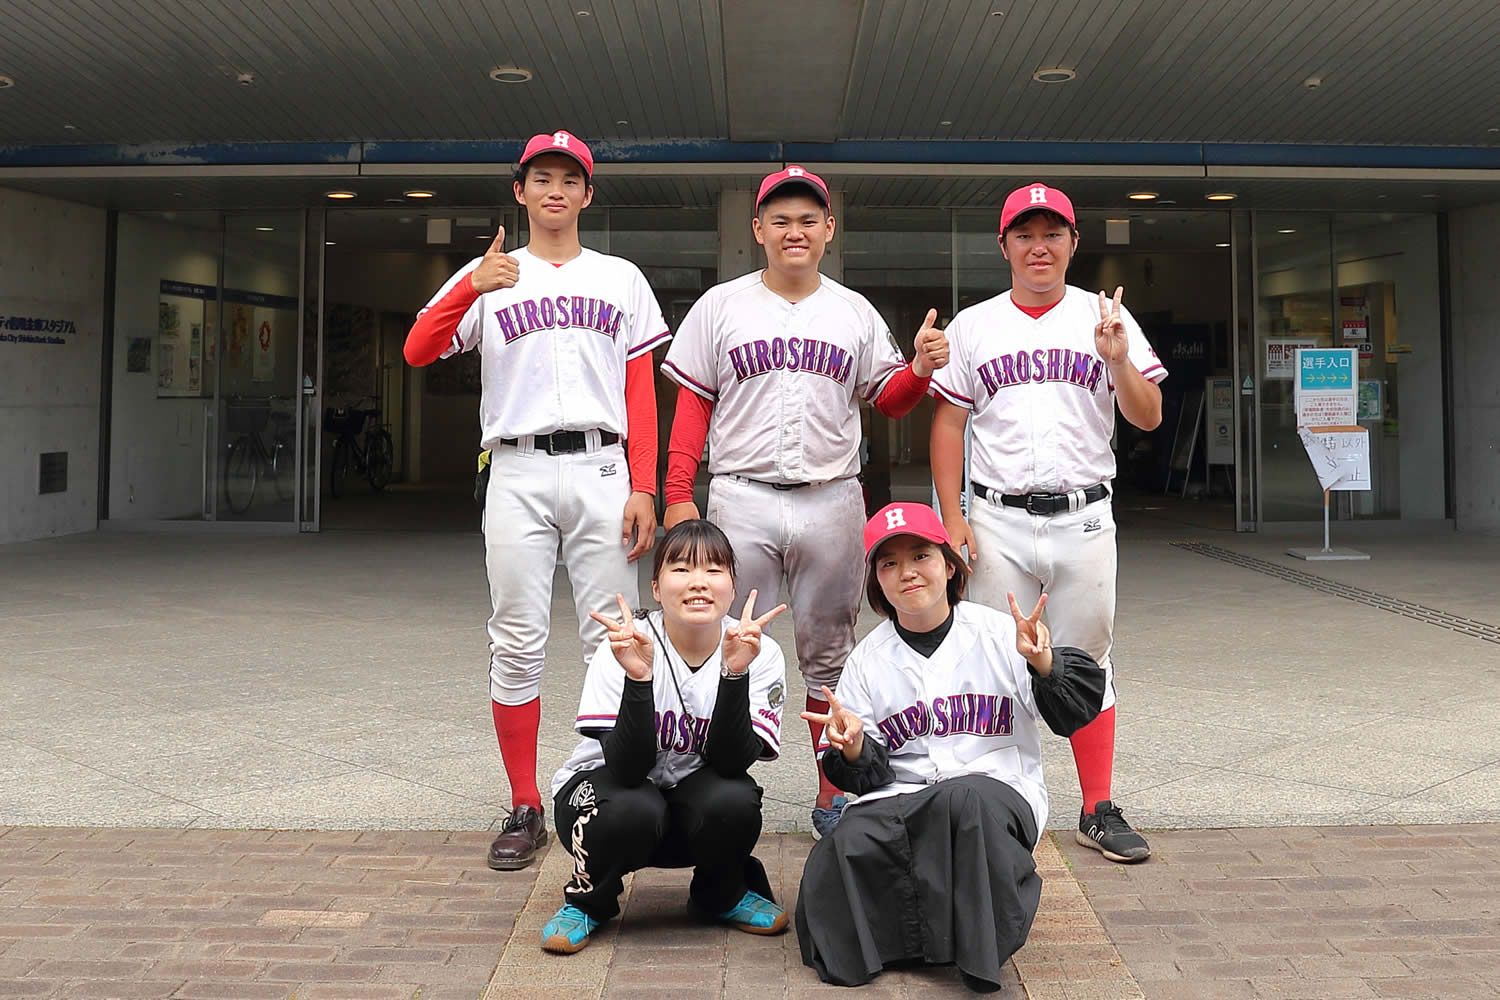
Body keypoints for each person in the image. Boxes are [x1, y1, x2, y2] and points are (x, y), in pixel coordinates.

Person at [403, 130, 670, 871]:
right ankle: (524, 802)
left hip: (601, 464)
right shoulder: (490, 272)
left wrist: (644, 484)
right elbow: (418, 350)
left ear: (588, 193)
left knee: (611, 636)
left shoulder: (620, 277)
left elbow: (641, 391)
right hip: (515, 468)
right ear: (519, 192)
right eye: (541, 178)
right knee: (516, 638)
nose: (556, 190)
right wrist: (470, 287)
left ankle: (608, 782)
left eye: (569, 179)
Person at [659, 165, 949, 837]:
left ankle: (833, 794)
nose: (796, 231)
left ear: (829, 230)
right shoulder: (721, 306)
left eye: (808, 220)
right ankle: (716, 789)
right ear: (757, 229)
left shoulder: (853, 311)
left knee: (831, 656)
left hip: (831, 497)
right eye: (781, 220)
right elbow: (693, 404)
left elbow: (887, 399)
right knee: (724, 642)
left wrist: (918, 370)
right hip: (742, 495)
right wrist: (677, 494)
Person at [929, 182, 1167, 864]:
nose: (1040, 246)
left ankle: (1098, 807)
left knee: (1087, 657)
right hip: (996, 518)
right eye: (1026, 235)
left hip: (1083, 515)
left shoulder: (1105, 316)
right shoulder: (974, 325)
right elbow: (948, 423)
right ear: (1004, 245)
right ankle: (991, 800)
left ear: (1073, 242)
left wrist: (1118, 359)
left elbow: (1148, 416)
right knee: (994, 656)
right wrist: (952, 517)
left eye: (1053, 233)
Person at [795, 502, 1105, 991]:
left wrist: (1045, 665)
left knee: (964, 800)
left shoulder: (1002, 634)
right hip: (906, 798)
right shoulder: (866, 660)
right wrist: (852, 747)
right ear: (877, 582)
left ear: (949, 565)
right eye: (889, 563)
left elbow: (1073, 713)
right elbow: (867, 776)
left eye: (921, 556)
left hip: (997, 795)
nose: (907, 572)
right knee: (842, 843)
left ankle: (977, 954)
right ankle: (908, 946)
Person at [542, 520, 790, 954]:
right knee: (633, 806)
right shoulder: (625, 643)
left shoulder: (759, 650)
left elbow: (732, 763)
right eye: (681, 569)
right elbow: (627, 770)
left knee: (734, 799)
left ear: (733, 586)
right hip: (607, 798)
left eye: (714, 570)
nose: (698, 582)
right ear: (656, 588)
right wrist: (639, 678)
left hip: (687, 805)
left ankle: (720, 894)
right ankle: (587, 902)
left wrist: (735, 673)